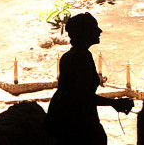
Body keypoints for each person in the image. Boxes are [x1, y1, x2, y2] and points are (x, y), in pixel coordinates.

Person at [44, 13, 134, 145]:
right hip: (78, 123)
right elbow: (82, 96)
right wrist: (114, 103)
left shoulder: (68, 56)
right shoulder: (82, 58)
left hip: (63, 118)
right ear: (84, 33)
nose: (99, 31)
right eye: (94, 28)